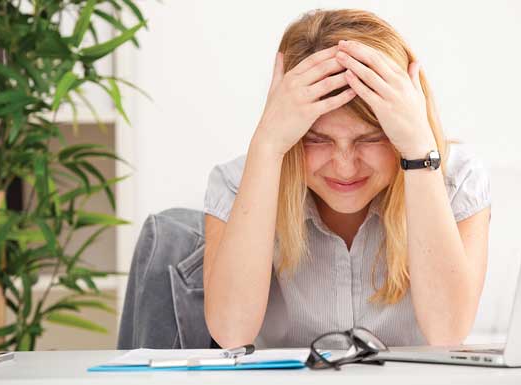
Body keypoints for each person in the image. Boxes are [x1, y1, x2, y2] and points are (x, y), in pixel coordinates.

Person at [202, 9, 491, 349]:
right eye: (316, 139)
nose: (344, 166)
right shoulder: (236, 183)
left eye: (369, 139)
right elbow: (230, 333)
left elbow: (448, 332)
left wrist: (418, 148)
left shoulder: (455, 180)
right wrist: (266, 146)